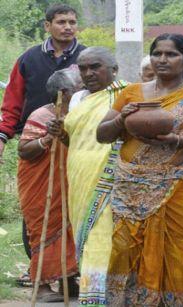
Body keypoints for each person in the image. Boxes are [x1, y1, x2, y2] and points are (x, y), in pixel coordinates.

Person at [96, 33, 183, 306]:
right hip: (130, 187)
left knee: (178, 253)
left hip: (179, 188)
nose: (162, 59)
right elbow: (102, 135)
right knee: (123, 249)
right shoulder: (131, 93)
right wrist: (122, 118)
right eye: (157, 53)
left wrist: (177, 140)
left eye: (171, 54)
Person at [47, 47, 128, 306]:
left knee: (102, 240)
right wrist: (61, 132)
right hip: (80, 182)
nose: (88, 73)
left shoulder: (127, 95)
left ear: (113, 70)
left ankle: (98, 299)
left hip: (111, 182)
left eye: (95, 67)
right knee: (86, 237)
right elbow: (77, 139)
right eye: (83, 68)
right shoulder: (79, 99)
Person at [17, 68, 81, 302]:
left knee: (70, 228)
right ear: (65, 92)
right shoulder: (42, 116)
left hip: (70, 183)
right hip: (41, 187)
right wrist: (47, 139)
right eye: (79, 86)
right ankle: (41, 286)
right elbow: (23, 150)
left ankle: (68, 282)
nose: (83, 90)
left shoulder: (78, 113)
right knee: (44, 231)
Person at [0, 3, 85, 162]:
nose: (68, 27)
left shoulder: (87, 59)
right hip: (33, 143)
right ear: (47, 26)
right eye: (61, 22)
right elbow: (12, 102)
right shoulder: (28, 59)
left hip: (77, 141)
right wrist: (2, 136)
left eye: (72, 22)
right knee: (35, 186)